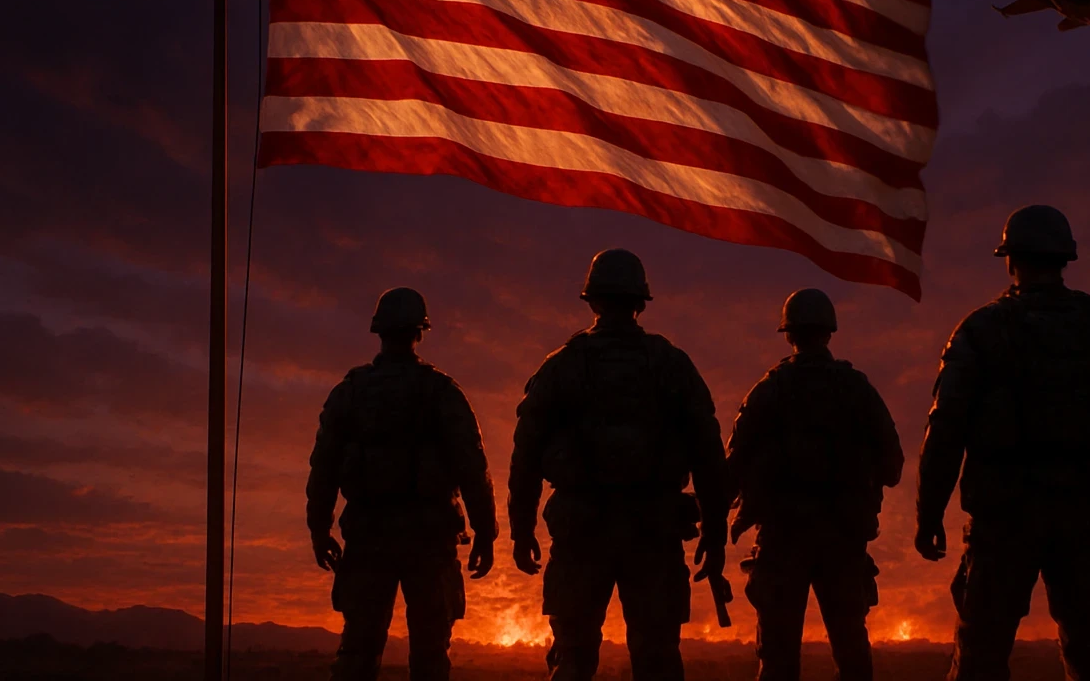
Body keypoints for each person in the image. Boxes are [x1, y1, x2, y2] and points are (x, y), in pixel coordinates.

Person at [915, 205, 1090, 681]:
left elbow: (946, 427)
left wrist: (929, 514)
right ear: (1063, 258)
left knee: (980, 656)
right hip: (1086, 516)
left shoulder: (980, 331)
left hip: (1004, 516)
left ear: (1011, 260)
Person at [507, 248, 728, 680]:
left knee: (573, 657)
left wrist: (521, 529)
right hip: (654, 533)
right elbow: (709, 455)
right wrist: (715, 535)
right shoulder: (672, 365)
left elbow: (525, 454)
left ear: (592, 301)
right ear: (640, 301)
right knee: (658, 657)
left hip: (581, 534)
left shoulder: (561, 365)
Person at [306, 286, 498, 681]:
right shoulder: (442, 392)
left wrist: (319, 527)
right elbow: (472, 465)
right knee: (429, 655)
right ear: (420, 331)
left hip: (368, 536)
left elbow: (322, 467)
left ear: (379, 331)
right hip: (428, 539)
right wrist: (484, 530)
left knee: (358, 651)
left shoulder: (350, 392)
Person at [727, 288, 904, 681]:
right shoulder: (857, 389)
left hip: (781, 540)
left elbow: (734, 465)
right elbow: (893, 466)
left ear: (788, 334)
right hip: (842, 539)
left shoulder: (769, 390)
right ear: (829, 331)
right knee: (851, 650)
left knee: (777, 657)